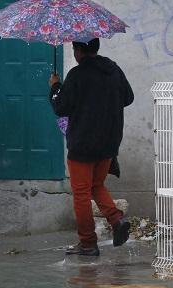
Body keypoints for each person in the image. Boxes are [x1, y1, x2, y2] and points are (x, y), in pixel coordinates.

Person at [49, 38, 134, 256]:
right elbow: (128, 97)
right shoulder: (113, 69)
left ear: (79, 50)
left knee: (81, 193)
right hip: (108, 142)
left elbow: (61, 107)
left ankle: (87, 243)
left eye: (74, 49)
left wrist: (55, 87)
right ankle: (116, 220)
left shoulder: (77, 75)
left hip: (83, 145)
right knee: (96, 185)